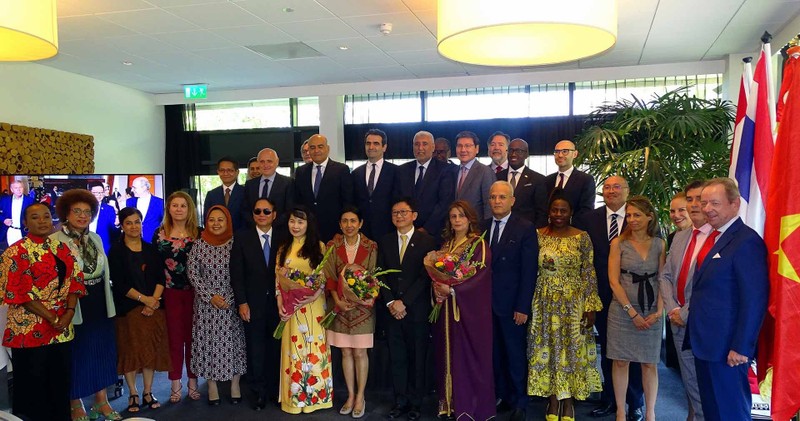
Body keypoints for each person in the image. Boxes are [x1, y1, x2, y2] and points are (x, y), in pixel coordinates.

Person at [686, 177, 768, 421]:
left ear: (734, 205)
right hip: (707, 345)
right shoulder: (715, 237)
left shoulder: (746, 241)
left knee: (731, 412)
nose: (707, 208)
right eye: (704, 202)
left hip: (728, 349)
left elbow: (754, 299)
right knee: (713, 411)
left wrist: (742, 347)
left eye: (715, 203)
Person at [0, 203, 86, 420]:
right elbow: (17, 292)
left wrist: (68, 312)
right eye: (35, 217)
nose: (42, 221)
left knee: (60, 384)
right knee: (32, 388)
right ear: (25, 223)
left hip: (62, 328)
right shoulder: (15, 251)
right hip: (29, 330)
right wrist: (52, 317)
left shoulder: (62, 248)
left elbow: (75, 281)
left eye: (46, 216)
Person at [575, 175, 645, 421]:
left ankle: (635, 402)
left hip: (633, 295)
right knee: (607, 348)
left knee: (633, 350)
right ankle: (610, 400)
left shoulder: (638, 217)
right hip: (600, 295)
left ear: (627, 190)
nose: (611, 191)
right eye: (607, 187)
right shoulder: (588, 219)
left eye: (617, 187)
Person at [527, 195, 602, 421]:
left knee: (571, 353)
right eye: (555, 210)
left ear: (571, 213)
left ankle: (568, 402)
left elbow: (588, 272)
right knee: (548, 351)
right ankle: (552, 400)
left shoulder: (582, 237)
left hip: (573, 303)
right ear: (549, 212)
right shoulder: (538, 236)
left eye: (563, 211)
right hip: (545, 302)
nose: (558, 214)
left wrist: (591, 306)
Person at [52, 190, 121, 421]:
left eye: (87, 212)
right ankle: (75, 402)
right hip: (74, 305)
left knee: (101, 352)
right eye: (77, 211)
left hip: (100, 301)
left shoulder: (96, 238)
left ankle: (101, 401)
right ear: (66, 213)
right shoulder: (54, 241)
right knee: (78, 354)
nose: (83, 216)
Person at [432, 201, 494, 420]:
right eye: (453, 216)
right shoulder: (446, 245)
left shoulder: (478, 244)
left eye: (461, 216)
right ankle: (449, 403)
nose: (457, 220)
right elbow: (437, 272)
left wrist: (453, 289)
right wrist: (438, 289)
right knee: (447, 353)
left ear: (470, 219)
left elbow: (480, 276)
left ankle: (469, 406)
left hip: (469, 313)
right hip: (447, 310)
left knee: (467, 357)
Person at [377, 198, 437, 421]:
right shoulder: (385, 241)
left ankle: (416, 403)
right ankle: (399, 401)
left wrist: (405, 302)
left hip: (416, 311)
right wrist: (391, 302)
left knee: (417, 358)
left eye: (403, 212)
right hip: (392, 311)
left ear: (414, 215)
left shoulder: (427, 241)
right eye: (395, 213)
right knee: (397, 358)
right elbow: (380, 274)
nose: (399, 216)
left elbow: (426, 277)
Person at [607, 196, 666, 421]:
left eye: (637, 215)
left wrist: (658, 311)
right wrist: (631, 312)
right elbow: (614, 281)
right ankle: (621, 412)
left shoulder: (660, 244)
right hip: (622, 312)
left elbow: (663, 279)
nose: (631, 219)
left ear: (650, 217)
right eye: (629, 215)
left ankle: (650, 412)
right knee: (620, 361)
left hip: (651, 311)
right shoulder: (618, 243)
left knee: (649, 364)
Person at [109, 207, 171, 414]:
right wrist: (145, 300)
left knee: (150, 352)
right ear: (122, 226)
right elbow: (119, 284)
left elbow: (161, 279)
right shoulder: (116, 251)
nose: (134, 226)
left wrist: (153, 301)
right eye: (129, 223)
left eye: (137, 222)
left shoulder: (151, 249)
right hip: (128, 309)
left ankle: (148, 391)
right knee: (130, 352)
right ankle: (133, 393)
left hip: (153, 309)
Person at [484, 181, 538, 421]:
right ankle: (502, 395)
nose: (497, 201)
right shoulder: (482, 227)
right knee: (494, 355)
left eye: (502, 197)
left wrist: (522, 306)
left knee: (515, 355)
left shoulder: (525, 228)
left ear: (512, 200)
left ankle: (519, 402)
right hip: (485, 306)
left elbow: (529, 271)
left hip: (513, 306)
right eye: (493, 197)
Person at [658, 181, 710, 421]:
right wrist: (673, 310)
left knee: (708, 389)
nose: (692, 205)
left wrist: (684, 312)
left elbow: (710, 287)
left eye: (696, 199)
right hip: (677, 321)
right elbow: (666, 275)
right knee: (690, 385)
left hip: (702, 322)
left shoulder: (717, 237)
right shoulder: (679, 237)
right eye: (688, 200)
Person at [275, 206, 333, 413]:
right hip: (290, 308)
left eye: (300, 222)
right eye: (292, 221)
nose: (296, 226)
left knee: (313, 349)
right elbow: (278, 279)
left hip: (313, 307)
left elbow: (322, 279)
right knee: (293, 351)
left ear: (308, 224)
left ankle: (316, 398)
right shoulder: (283, 248)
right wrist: (280, 302)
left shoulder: (319, 246)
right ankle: (293, 399)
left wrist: (310, 296)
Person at [230, 198, 286, 410]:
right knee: (256, 350)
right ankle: (258, 393)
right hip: (252, 305)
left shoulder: (284, 237)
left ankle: (275, 391)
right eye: (257, 211)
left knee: (276, 348)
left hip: (279, 304)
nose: (261, 214)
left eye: (266, 211)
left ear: (274, 214)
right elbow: (237, 274)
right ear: (253, 214)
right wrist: (242, 302)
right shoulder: (242, 238)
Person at [187, 205, 247, 405]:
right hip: (206, 306)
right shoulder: (199, 245)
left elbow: (240, 274)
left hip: (230, 304)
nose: (216, 223)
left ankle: (234, 385)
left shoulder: (236, 244)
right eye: (212, 219)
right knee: (209, 345)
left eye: (220, 219)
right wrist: (210, 296)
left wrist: (229, 298)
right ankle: (212, 386)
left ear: (228, 221)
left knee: (233, 344)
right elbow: (193, 274)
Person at [323, 207, 378, 418]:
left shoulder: (371, 246)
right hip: (339, 307)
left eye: (353, 221)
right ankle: (350, 395)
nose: (349, 225)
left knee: (359, 352)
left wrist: (362, 298)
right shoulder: (332, 245)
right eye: (344, 221)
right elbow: (329, 277)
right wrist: (338, 300)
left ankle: (361, 396)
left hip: (363, 308)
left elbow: (373, 276)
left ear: (361, 223)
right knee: (345, 352)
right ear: (339, 224)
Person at [152, 191, 202, 403]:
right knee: (173, 339)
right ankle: (175, 383)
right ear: (169, 209)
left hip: (196, 293)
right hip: (170, 293)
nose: (179, 209)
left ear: (189, 209)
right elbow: (154, 266)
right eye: (175, 205)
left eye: (183, 205)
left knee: (193, 339)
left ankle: (192, 381)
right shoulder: (159, 233)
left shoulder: (199, 233)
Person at [293, 134, 354, 242]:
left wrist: (342, 229)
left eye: (320, 147)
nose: (316, 150)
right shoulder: (301, 172)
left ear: (328, 149)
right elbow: (298, 202)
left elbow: (347, 202)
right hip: (308, 232)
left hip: (334, 231)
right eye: (312, 147)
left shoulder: (341, 170)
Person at [398, 131, 455, 242]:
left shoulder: (445, 170)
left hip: (434, 234)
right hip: (406, 231)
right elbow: (398, 199)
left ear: (433, 147)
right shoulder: (402, 170)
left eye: (425, 144)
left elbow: (444, 203)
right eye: (417, 144)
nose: (420, 148)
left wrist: (426, 229)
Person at [352, 129, 400, 241]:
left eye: (376, 143)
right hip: (362, 232)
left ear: (384, 147)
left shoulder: (396, 171)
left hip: (388, 230)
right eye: (368, 143)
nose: (371, 147)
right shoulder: (356, 173)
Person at [496, 138, 548, 227]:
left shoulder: (538, 179)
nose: (513, 154)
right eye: (511, 150)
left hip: (527, 231)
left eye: (518, 151)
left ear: (526, 154)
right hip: (501, 229)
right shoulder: (497, 177)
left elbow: (542, 212)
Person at [244, 148, 294, 227]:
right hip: (254, 231)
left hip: (279, 231)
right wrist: (257, 226)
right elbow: (245, 210)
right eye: (262, 161)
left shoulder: (288, 183)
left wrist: (269, 227)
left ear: (277, 162)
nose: (265, 165)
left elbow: (289, 210)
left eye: (269, 161)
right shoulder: (250, 185)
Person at [544, 140, 596, 216]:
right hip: (550, 226)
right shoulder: (547, 180)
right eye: (557, 152)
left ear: (575, 154)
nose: (560, 155)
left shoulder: (586, 180)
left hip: (575, 226)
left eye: (565, 151)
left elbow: (586, 209)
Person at [453, 131, 495, 221]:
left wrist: (485, 231)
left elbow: (489, 206)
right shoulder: (452, 171)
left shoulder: (485, 172)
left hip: (476, 229)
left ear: (477, 149)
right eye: (459, 146)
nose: (463, 150)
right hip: (455, 229)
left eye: (467, 146)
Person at [203, 156, 246, 231]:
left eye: (230, 170)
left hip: (241, 238)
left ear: (237, 172)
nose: (225, 173)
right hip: (218, 238)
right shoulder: (211, 195)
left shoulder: (246, 192)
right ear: (218, 172)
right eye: (222, 170)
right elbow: (206, 220)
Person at [126, 177, 164, 243]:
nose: (132, 190)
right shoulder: (129, 202)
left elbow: (165, 223)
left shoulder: (160, 203)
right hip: (133, 243)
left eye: (134, 187)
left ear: (144, 188)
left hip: (153, 244)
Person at [88, 182, 119, 254]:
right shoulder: (82, 208)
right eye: (95, 193)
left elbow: (114, 233)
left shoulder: (109, 209)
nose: (99, 195)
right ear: (89, 193)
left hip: (103, 248)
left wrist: (117, 225)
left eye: (101, 192)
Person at [0, 180, 34, 248]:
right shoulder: (4, 200)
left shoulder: (30, 200)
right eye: (16, 188)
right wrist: (3, 220)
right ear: (12, 190)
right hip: (10, 231)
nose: (18, 190)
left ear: (23, 188)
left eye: (20, 187)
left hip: (25, 232)